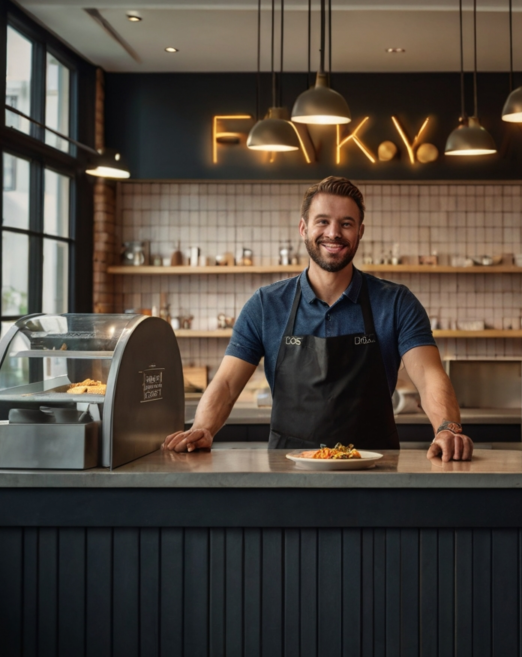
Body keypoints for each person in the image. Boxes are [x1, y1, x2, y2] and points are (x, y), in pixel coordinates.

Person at [163, 176, 473, 461]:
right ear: (303, 228)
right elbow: (227, 384)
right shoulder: (266, 305)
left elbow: (429, 375)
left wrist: (448, 427)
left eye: (346, 223)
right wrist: (202, 428)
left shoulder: (395, 302)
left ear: (360, 231)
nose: (333, 233)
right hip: (288, 473)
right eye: (322, 221)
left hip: (374, 473)